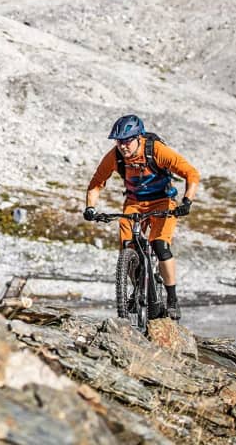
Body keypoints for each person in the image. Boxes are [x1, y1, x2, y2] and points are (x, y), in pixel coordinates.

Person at [83, 114, 200, 320]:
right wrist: (90, 208)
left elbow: (191, 173)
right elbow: (96, 182)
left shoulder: (155, 150)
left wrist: (187, 201)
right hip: (134, 203)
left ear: (139, 137)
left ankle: (172, 299)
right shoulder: (115, 157)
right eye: (119, 141)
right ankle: (137, 288)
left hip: (163, 202)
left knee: (160, 245)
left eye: (127, 141)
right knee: (128, 246)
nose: (123, 146)